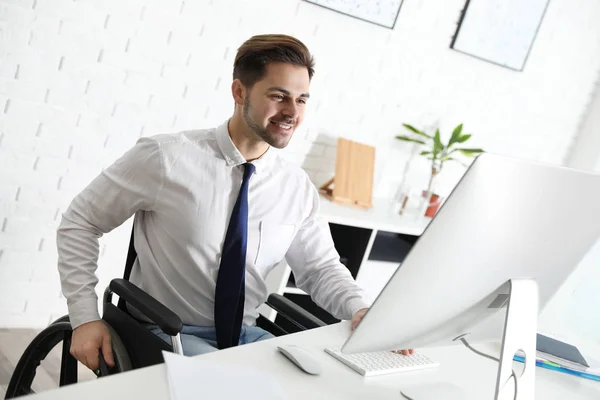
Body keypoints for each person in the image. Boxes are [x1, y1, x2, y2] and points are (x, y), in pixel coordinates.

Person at [57, 34, 408, 371]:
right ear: (239, 91)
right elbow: (81, 222)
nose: (292, 112)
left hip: (244, 337)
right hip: (165, 333)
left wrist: (362, 309)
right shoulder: (166, 158)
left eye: (301, 100)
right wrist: (84, 317)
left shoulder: (295, 187)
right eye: (279, 96)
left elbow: (320, 269)